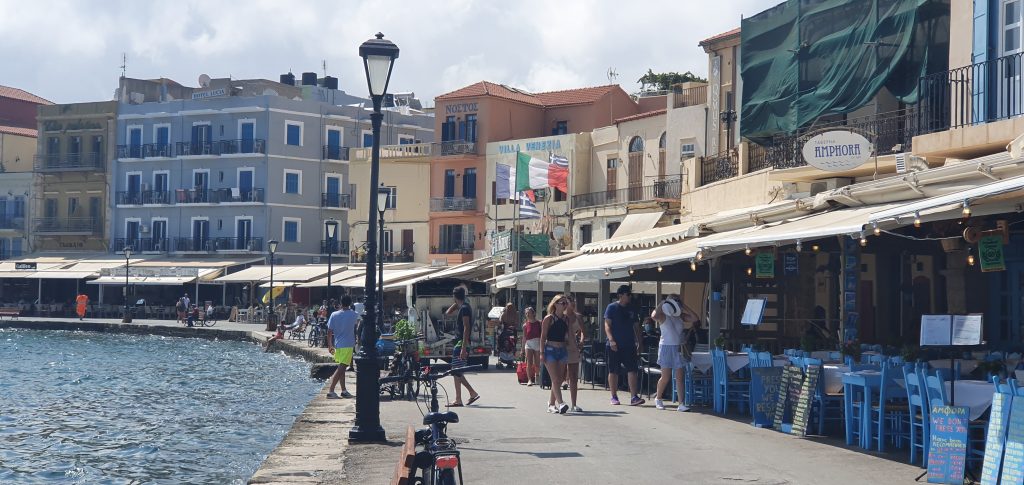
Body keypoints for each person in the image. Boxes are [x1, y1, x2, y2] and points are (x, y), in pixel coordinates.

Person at [652, 296, 698, 412]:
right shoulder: (663, 315)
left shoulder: (680, 316)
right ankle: (658, 398)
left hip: (678, 347)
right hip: (666, 347)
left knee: (679, 377)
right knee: (665, 377)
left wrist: (684, 306)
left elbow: (695, 318)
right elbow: (653, 316)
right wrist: (662, 304)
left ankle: (681, 403)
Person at [605, 284, 644, 406]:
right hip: (615, 344)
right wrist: (611, 340)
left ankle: (634, 396)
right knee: (614, 370)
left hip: (629, 344)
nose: (630, 297)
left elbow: (637, 326)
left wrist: (639, 341)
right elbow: (607, 325)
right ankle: (614, 396)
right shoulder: (611, 307)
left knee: (632, 369)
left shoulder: (632, 308)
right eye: (628, 294)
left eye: (630, 294)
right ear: (620, 295)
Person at [444, 286, 480, 407]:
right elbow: (447, 313)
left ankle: (461, 398)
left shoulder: (464, 308)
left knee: (456, 372)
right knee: (457, 372)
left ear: (454, 296)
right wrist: (456, 303)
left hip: (461, 344)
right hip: (460, 343)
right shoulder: (463, 307)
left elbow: (466, 327)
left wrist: (464, 347)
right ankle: (470, 393)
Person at [541, 294, 570, 414]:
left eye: (565, 303)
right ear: (555, 304)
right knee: (555, 378)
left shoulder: (566, 318)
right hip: (550, 349)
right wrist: (541, 353)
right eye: (562, 303)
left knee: (558, 379)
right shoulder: (549, 318)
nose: (564, 305)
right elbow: (543, 337)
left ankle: (551, 404)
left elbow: (567, 335)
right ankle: (561, 403)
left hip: (562, 349)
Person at [327, 297, 357, 398]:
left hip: (338, 344)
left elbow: (329, 331)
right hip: (348, 344)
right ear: (350, 303)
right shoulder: (354, 314)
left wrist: (330, 344)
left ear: (340, 303)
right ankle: (331, 390)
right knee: (342, 368)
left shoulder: (334, 314)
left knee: (342, 368)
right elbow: (358, 324)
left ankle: (343, 390)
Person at [563, 296, 585, 413]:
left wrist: (581, 341)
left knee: (574, 376)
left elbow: (583, 332)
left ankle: (574, 404)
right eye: (571, 302)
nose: (573, 304)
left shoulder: (578, 316)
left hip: (574, 348)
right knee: (559, 376)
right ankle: (555, 402)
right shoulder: (561, 316)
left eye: (574, 302)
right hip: (562, 347)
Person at [521, 307, 542, 386]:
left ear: (533, 313)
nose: (527, 314)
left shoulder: (539, 323)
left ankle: (537, 376)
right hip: (529, 344)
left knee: (537, 363)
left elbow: (542, 335)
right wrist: (522, 349)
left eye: (529, 313)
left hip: (537, 342)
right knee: (529, 362)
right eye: (526, 313)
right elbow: (524, 337)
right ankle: (529, 379)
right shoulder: (525, 325)